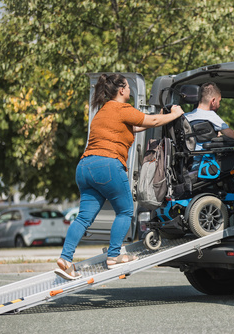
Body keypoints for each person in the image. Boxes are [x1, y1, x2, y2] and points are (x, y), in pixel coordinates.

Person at [55, 73, 184, 280]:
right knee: (124, 211)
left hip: (85, 167)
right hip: (108, 165)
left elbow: (139, 126)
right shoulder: (122, 108)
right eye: (127, 87)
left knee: (83, 218)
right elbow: (151, 120)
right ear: (122, 90)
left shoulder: (103, 111)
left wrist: (160, 117)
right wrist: (175, 114)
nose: (130, 91)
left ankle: (65, 259)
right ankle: (114, 256)